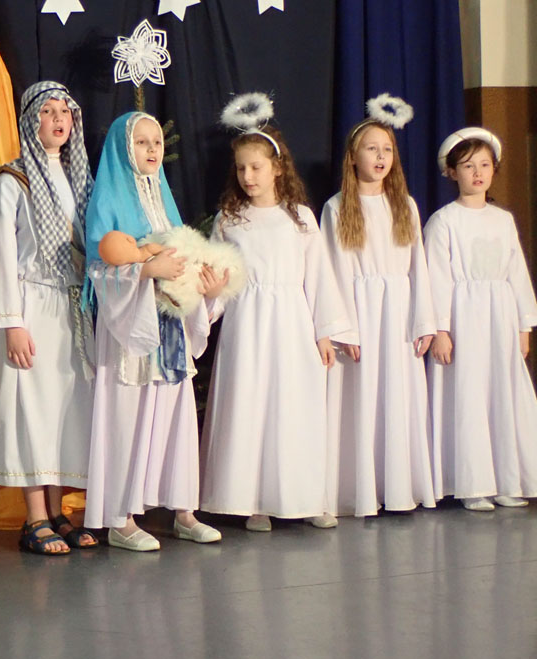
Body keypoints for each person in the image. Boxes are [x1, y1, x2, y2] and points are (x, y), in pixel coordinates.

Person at [199, 94, 351, 532]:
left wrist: (324, 332)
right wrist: (208, 305)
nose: (247, 176)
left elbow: (318, 277)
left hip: (291, 324)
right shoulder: (230, 219)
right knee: (251, 404)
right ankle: (254, 500)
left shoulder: (299, 217)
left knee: (294, 407)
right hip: (247, 325)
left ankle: (306, 497)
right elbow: (220, 280)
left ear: (277, 168)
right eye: (241, 169)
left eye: (256, 167)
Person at [84, 111, 226, 551]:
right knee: (127, 417)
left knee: (173, 415)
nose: (152, 149)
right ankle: (120, 518)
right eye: (141, 142)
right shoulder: (107, 200)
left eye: (157, 142)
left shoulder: (163, 201)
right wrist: (146, 270)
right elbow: (98, 269)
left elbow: (184, 258)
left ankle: (183, 512)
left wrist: (206, 289)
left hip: (170, 326)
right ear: (123, 149)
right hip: (129, 326)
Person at [0, 81, 98, 555]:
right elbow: (1, 256)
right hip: (31, 307)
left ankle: (59, 511)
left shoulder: (78, 178)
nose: (58, 119)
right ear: (31, 121)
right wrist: (12, 323)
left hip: (71, 306)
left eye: (64, 110)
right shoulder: (12, 181)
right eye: (48, 111)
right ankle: (35, 518)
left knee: (64, 409)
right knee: (32, 408)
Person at [321, 95, 437, 517]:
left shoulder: (404, 205)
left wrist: (424, 322)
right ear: (353, 157)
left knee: (397, 397)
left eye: (387, 149)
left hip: (398, 315)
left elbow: (418, 267)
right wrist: (343, 328)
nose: (381, 156)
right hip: (360, 314)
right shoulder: (337, 207)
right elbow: (333, 270)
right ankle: (360, 490)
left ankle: (399, 486)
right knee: (362, 400)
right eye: (372, 148)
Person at [425, 127, 537, 511]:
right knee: (469, 393)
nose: (477, 173)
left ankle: (507, 479)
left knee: (502, 395)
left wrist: (524, 325)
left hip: (500, 317)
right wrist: (441, 328)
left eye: (485, 165)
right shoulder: (444, 221)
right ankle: (473, 483)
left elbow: (516, 273)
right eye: (468, 165)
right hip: (465, 318)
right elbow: (436, 278)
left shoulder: (502, 220)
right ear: (452, 171)